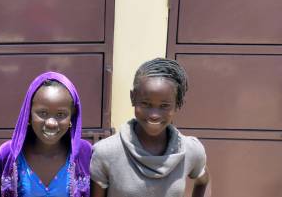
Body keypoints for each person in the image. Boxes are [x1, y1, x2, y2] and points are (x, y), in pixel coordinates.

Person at [90, 58, 210, 197]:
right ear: (133, 98)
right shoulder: (106, 152)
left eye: (164, 106)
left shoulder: (190, 150)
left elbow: (203, 181)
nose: (154, 115)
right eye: (146, 103)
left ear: (178, 104)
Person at [0, 71, 92, 197]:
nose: (51, 123)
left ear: (72, 116)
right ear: (28, 114)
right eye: (42, 113)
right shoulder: (6, 155)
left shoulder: (85, 154)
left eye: (61, 114)